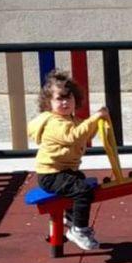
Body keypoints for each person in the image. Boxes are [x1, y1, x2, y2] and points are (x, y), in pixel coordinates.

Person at [27, 69, 110, 251]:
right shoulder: (54, 122)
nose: (65, 102)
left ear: (75, 100)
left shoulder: (70, 119)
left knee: (79, 182)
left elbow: (84, 133)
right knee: (82, 191)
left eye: (68, 98)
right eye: (59, 99)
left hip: (63, 171)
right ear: (48, 103)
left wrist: (96, 123)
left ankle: (70, 218)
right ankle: (78, 230)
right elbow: (73, 137)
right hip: (51, 174)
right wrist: (95, 117)